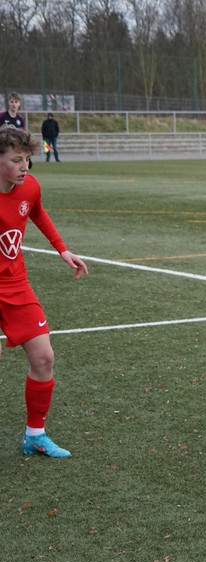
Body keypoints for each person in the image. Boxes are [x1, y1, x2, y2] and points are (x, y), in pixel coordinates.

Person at [0, 125, 88, 458]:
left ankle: (35, 435)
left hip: (15, 284)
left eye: (27, 159)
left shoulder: (30, 187)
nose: (24, 166)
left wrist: (63, 250)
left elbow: (37, 212)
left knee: (44, 358)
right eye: (16, 160)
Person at [2, 93, 30, 170]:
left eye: (16, 102)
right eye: (12, 102)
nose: (14, 104)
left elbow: (24, 134)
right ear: (8, 102)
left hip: (15, 149)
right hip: (3, 148)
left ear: (19, 103)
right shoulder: (2, 116)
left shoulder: (20, 119)